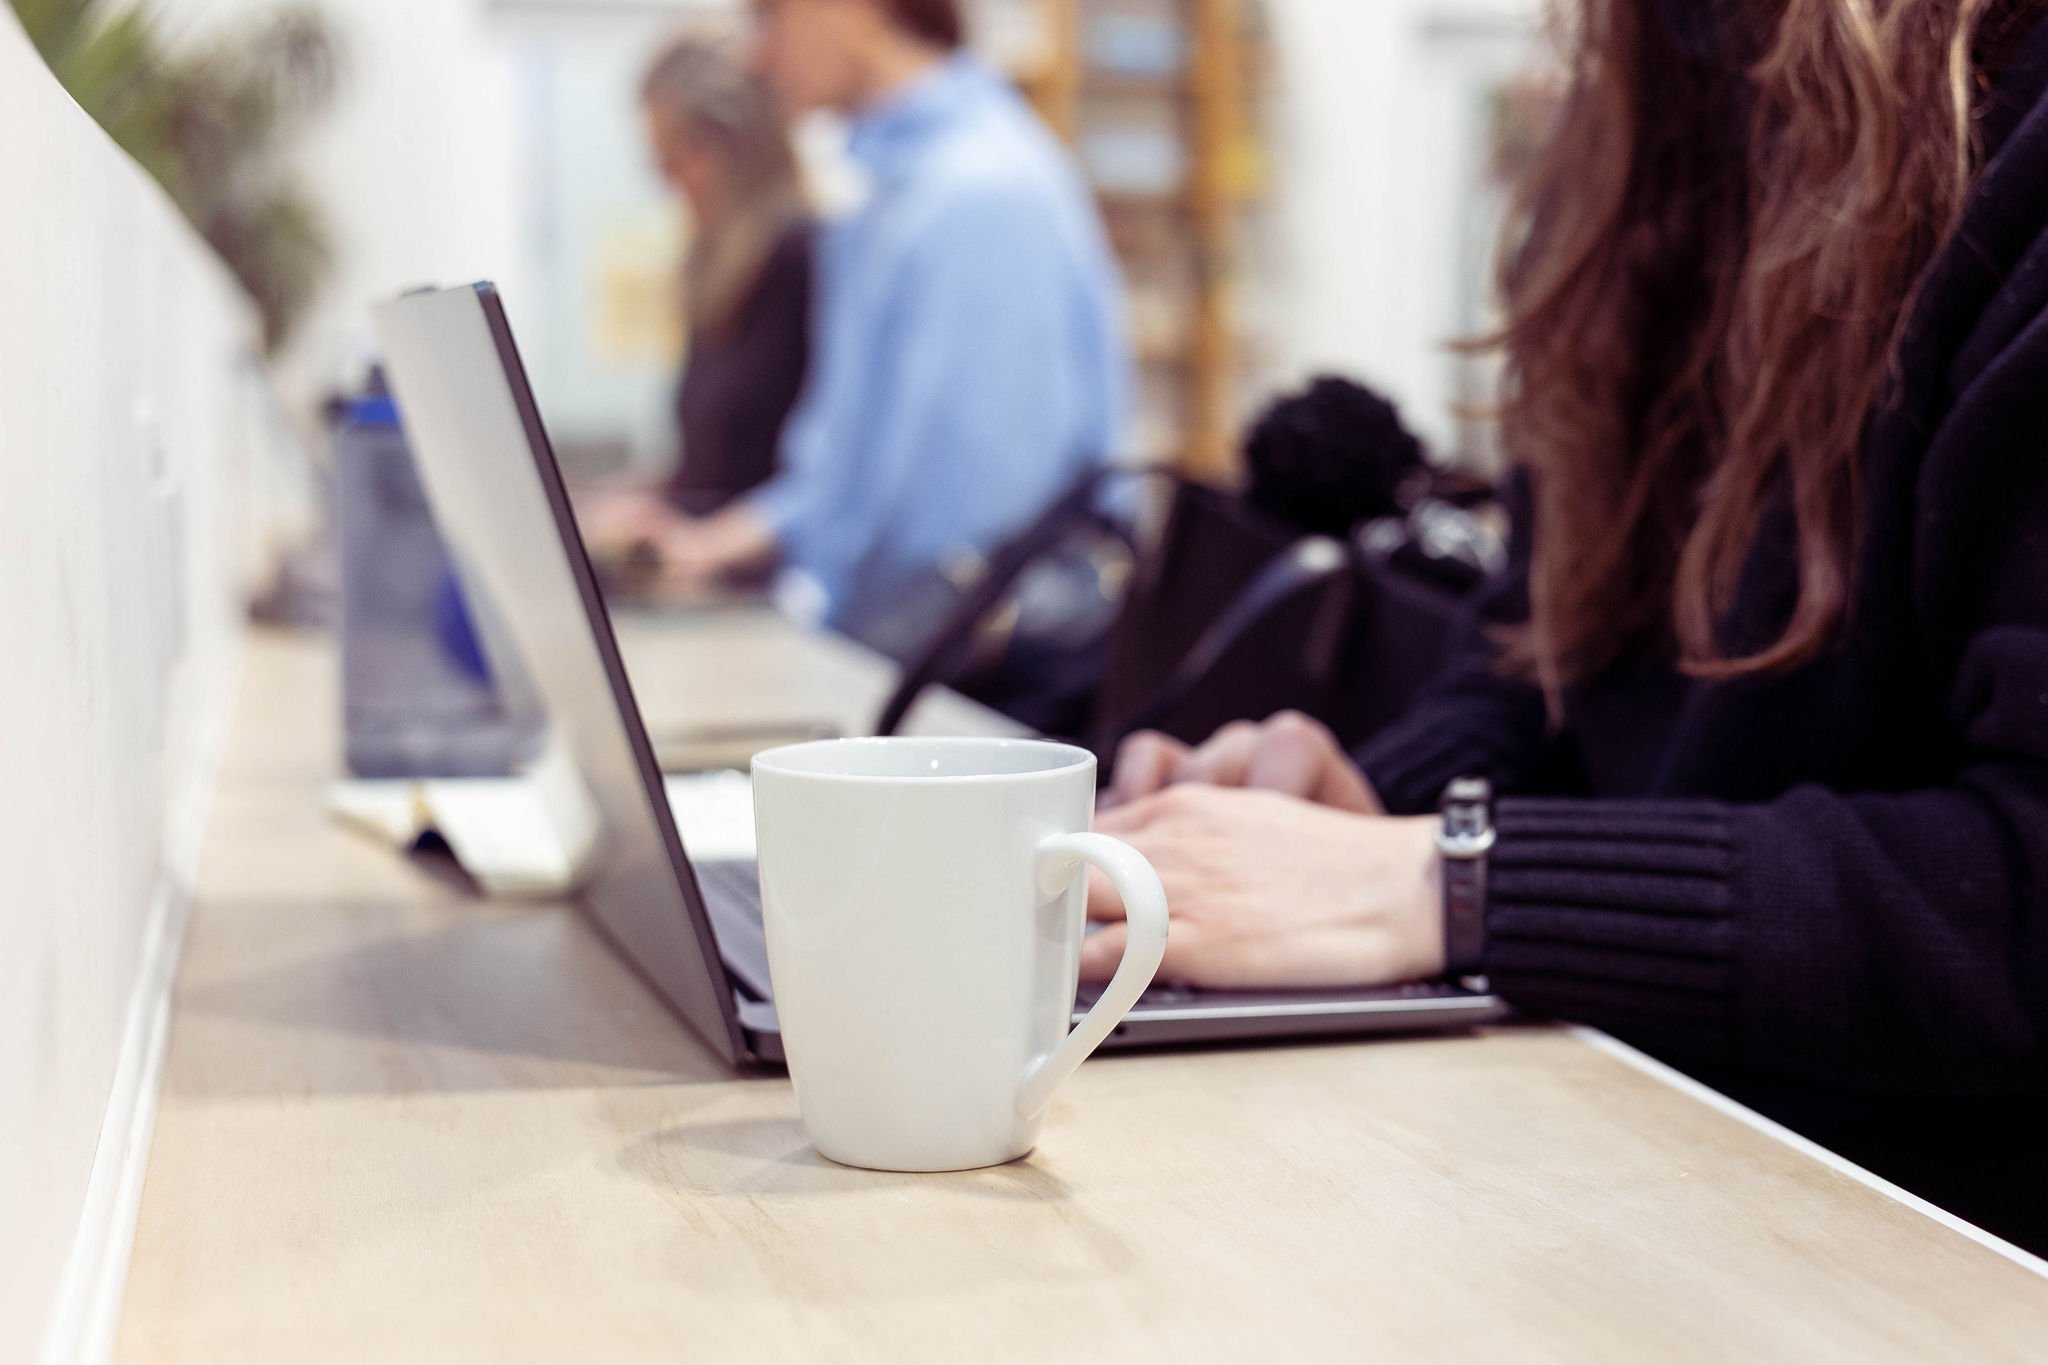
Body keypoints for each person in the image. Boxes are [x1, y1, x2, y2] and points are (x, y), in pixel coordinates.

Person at [1082, 1, 2048, 1250]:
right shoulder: (1665, 93)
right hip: (1615, 1152)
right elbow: (1546, 645)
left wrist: (1453, 886)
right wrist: (1366, 814)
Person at [653, 0, 1128, 657]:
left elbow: (963, 542)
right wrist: (720, 544)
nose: (756, 56)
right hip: (901, 650)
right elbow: (849, 479)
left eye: (770, 15)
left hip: (963, 687)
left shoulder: (979, 196)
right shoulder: (887, 197)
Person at [582, 33, 812, 573]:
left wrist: (704, 543)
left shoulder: (803, 260)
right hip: (702, 579)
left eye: (678, 156)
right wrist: (637, 502)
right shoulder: (713, 273)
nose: (667, 182)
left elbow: (813, 476)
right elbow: (711, 466)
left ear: (740, 145)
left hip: (765, 588)